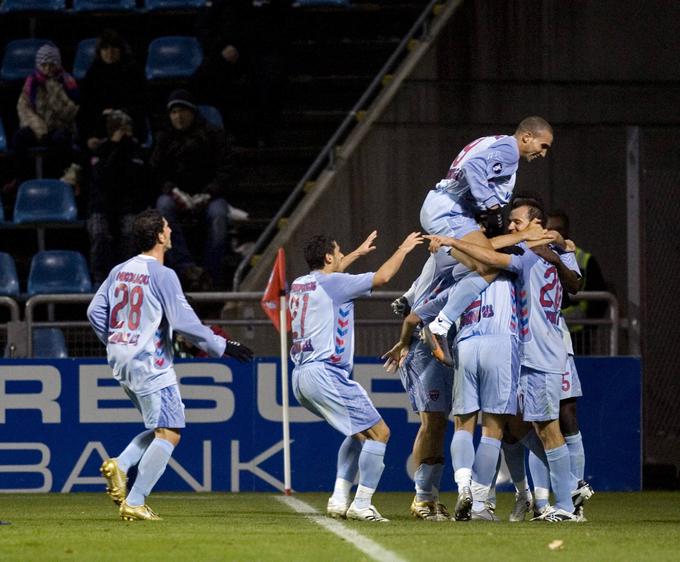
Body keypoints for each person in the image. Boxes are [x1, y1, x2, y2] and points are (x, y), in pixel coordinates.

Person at [429, 197, 593, 522]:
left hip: (539, 352)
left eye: (517, 222)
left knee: (548, 428)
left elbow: (490, 257)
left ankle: (566, 500)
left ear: (536, 224)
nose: (512, 227)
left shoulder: (526, 255)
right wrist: (557, 250)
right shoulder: (552, 251)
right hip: (526, 352)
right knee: (519, 429)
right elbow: (573, 280)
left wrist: (451, 242)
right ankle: (556, 493)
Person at [86, 209, 253, 521]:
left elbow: (95, 311)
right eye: (168, 228)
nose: (171, 232)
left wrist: (117, 340)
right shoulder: (163, 274)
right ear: (160, 236)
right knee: (171, 431)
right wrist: (223, 344)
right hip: (150, 362)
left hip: (121, 360)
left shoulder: (120, 270)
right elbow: (184, 323)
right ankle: (135, 501)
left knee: (162, 425)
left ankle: (120, 466)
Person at [290, 230, 423, 522]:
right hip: (326, 372)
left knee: (359, 431)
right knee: (380, 433)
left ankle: (339, 498)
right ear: (327, 257)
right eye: (338, 252)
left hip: (300, 377)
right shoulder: (335, 283)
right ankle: (362, 503)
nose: (341, 256)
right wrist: (402, 248)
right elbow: (383, 277)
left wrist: (356, 254)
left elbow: (330, 276)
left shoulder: (300, 283)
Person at [415, 117, 553, 366]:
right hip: (450, 211)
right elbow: (473, 169)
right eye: (543, 146)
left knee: (475, 261)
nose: (544, 154)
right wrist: (490, 208)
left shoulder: (495, 141)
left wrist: (487, 218)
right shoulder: (510, 150)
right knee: (489, 264)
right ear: (526, 137)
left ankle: (419, 309)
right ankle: (437, 324)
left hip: (448, 209)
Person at [382, 276, 455, 522]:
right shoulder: (445, 262)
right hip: (423, 352)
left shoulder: (462, 274)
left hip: (447, 351)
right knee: (431, 422)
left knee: (440, 425)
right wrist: (403, 342)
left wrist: (406, 300)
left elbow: (405, 301)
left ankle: (431, 497)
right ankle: (422, 496)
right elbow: (408, 310)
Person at [152, 89, 237, 289]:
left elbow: (227, 169)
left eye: (182, 111)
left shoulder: (213, 135)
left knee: (218, 215)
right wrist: (173, 191)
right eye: (173, 112)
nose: (178, 117)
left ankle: (210, 275)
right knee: (162, 208)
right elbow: (156, 171)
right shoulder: (164, 137)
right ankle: (187, 269)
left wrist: (208, 193)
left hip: (210, 195)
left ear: (192, 112)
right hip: (175, 195)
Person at [193, 0, 292, 146]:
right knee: (204, 77)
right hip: (230, 51)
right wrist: (222, 46)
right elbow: (205, 25)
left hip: (264, 51)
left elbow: (283, 27)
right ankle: (225, 129)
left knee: (272, 78)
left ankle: (264, 133)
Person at [86, 110, 151, 285]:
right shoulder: (100, 151)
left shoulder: (137, 151)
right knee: (99, 233)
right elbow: (103, 177)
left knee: (130, 231)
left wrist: (123, 147)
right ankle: (100, 280)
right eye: (121, 129)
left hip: (130, 205)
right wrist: (116, 148)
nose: (126, 132)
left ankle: (126, 278)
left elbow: (135, 177)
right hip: (102, 205)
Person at [14, 43, 79, 181]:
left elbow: (69, 114)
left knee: (60, 139)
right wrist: (38, 127)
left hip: (59, 127)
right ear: (38, 65)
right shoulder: (31, 83)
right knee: (20, 137)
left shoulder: (67, 82)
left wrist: (54, 91)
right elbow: (23, 108)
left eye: (52, 65)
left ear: (58, 65)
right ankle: (22, 180)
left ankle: (58, 179)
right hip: (38, 128)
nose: (48, 69)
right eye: (44, 65)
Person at [546, 210, 607, 354]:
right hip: (548, 330)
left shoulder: (584, 259)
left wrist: (588, 326)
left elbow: (599, 299)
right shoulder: (536, 256)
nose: (554, 233)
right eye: (550, 229)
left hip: (578, 334)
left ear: (567, 229)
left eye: (558, 228)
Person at [78, 29, 149, 151]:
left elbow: (141, 104)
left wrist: (119, 113)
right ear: (99, 52)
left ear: (121, 50)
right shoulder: (93, 73)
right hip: (99, 128)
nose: (110, 52)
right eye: (105, 48)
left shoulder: (133, 71)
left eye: (114, 48)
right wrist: (89, 136)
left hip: (128, 126)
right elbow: (86, 108)